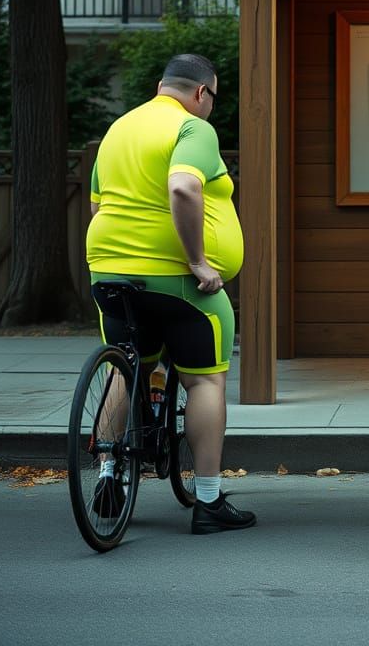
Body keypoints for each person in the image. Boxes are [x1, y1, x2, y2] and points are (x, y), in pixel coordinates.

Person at [86, 53, 255, 535]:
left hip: (109, 270)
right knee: (205, 381)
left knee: (126, 362)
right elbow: (183, 188)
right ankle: (207, 500)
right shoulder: (193, 130)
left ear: (161, 84)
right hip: (177, 282)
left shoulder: (118, 128)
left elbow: (99, 203)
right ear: (202, 93)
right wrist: (199, 261)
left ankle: (108, 473)